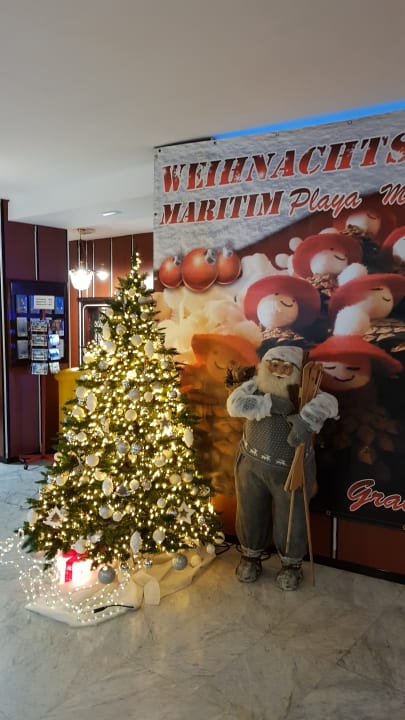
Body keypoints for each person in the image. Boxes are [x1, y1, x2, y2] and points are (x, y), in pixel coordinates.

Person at [226, 344, 339, 590]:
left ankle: (291, 565)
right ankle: (250, 556)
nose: (278, 371)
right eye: (274, 365)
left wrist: (306, 420)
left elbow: (330, 403)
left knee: (292, 518)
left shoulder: (306, 390)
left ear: (296, 370)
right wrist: (267, 404)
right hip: (252, 464)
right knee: (250, 511)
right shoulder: (255, 385)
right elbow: (234, 404)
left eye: (286, 368)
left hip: (291, 469)